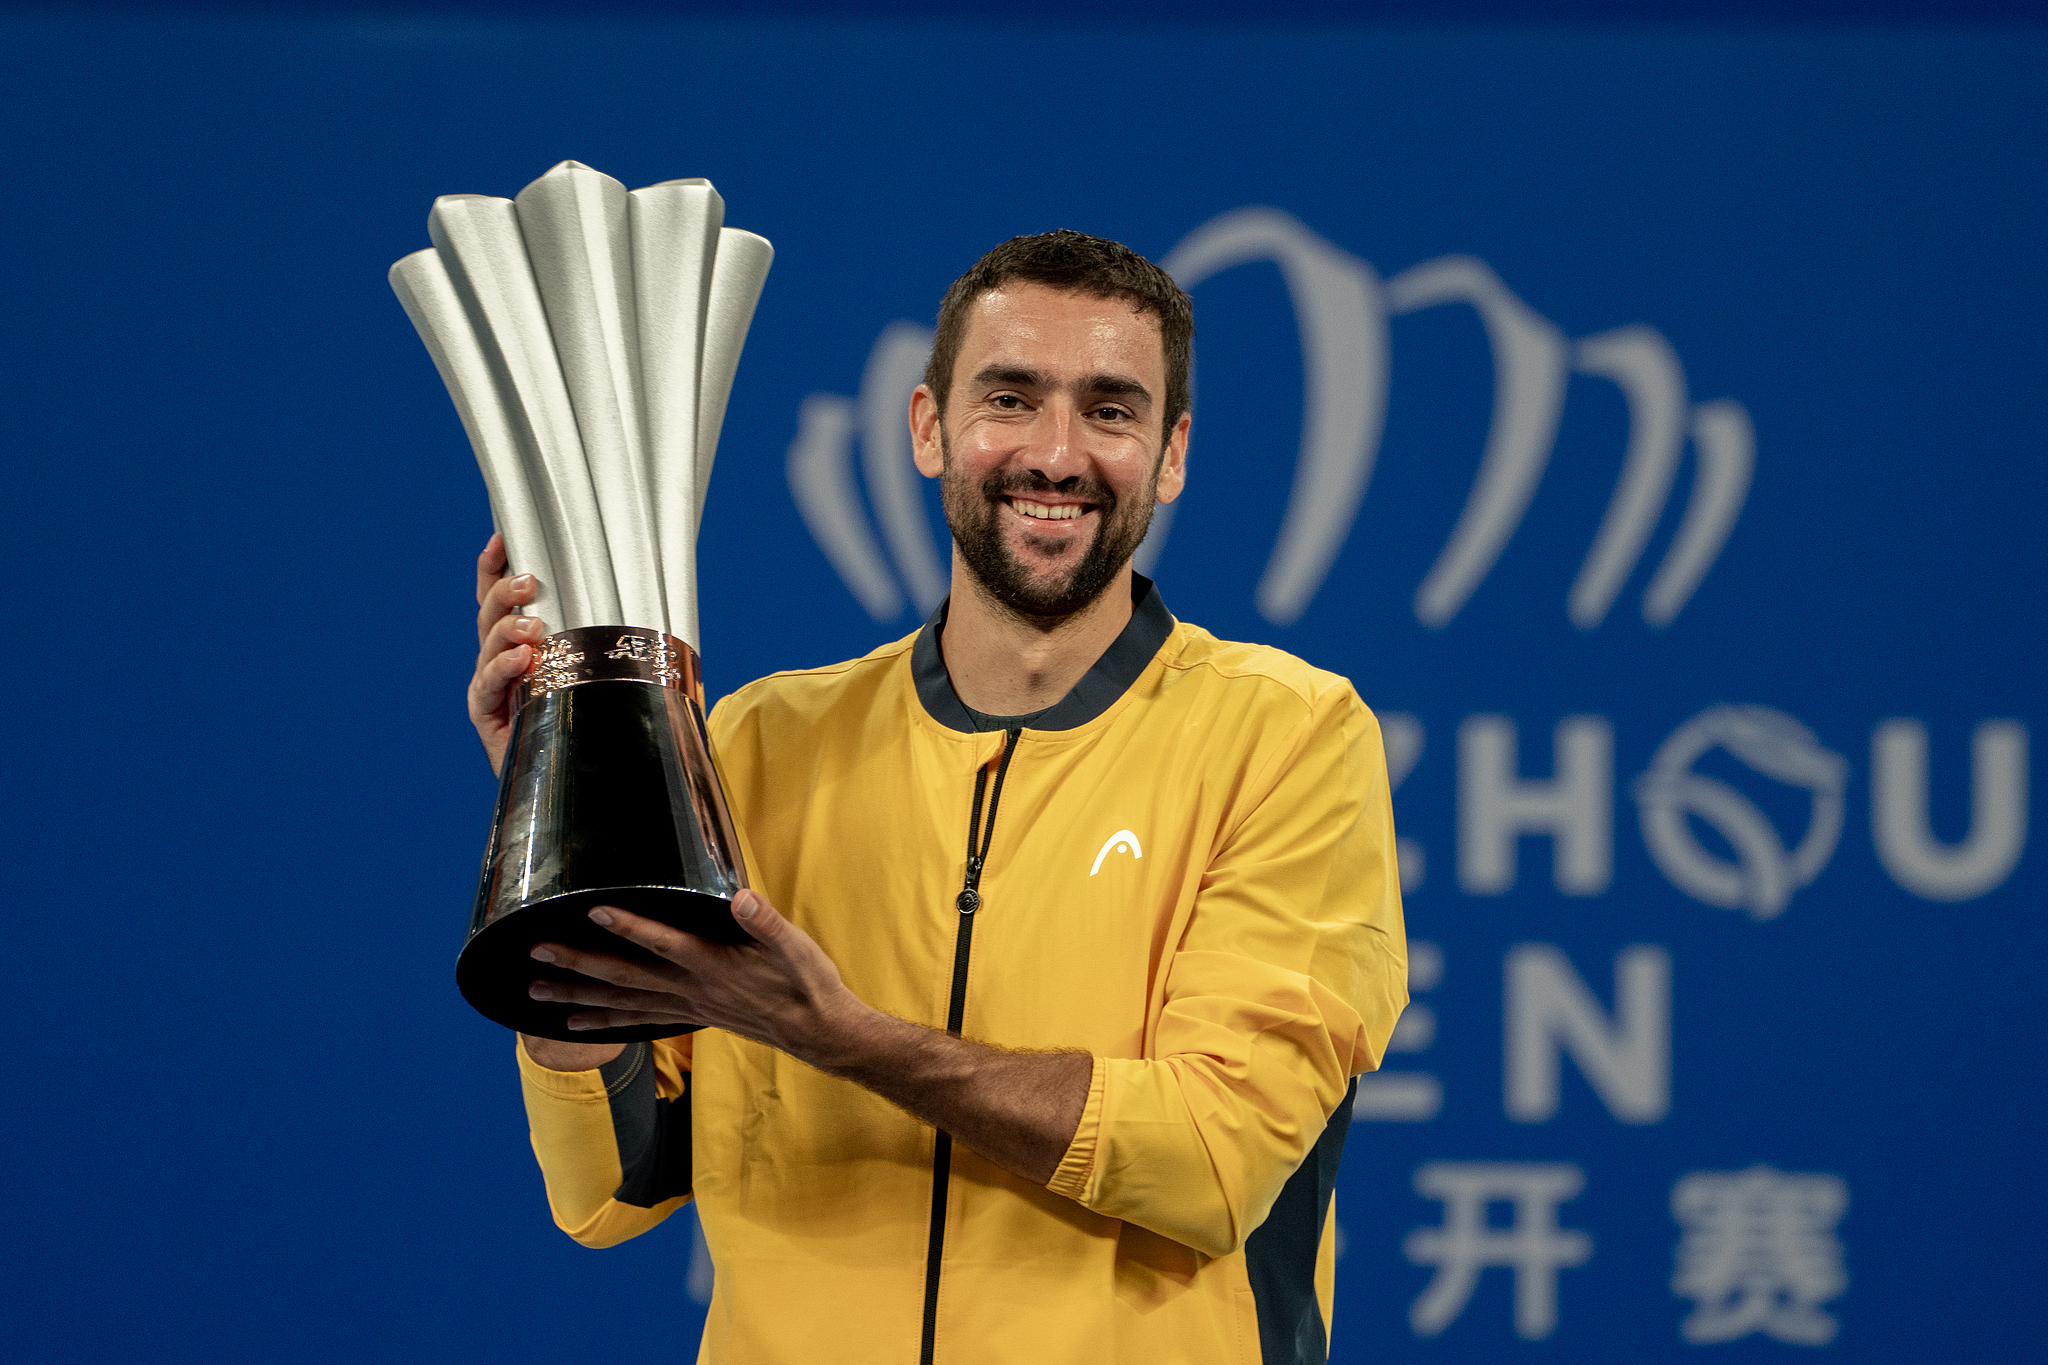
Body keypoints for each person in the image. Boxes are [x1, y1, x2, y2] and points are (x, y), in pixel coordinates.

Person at [466, 230, 1409, 1364]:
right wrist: (566, 814)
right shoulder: (759, 742)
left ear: (1171, 455)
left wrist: (842, 1039)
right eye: (1009, 398)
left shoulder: (1288, 735)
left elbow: (1214, 1158)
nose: (1056, 454)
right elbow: (615, 1182)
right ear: (927, 428)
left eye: (1110, 411)